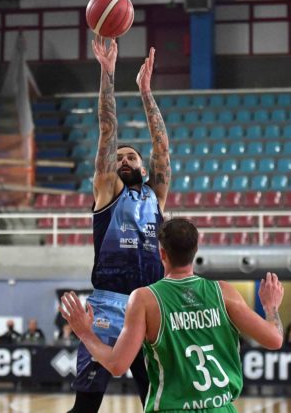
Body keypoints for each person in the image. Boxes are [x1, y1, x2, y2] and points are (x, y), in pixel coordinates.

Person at [61, 219, 284, 413]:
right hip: (221, 407)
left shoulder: (145, 299)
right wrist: (271, 307)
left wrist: (84, 333)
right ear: (196, 250)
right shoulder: (224, 292)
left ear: (162, 253)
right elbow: (275, 339)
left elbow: (117, 365)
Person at [67, 37, 171, 413]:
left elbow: (162, 147)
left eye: (132, 157)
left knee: (156, 404)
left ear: (143, 168)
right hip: (107, 307)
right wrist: (107, 73)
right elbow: (107, 131)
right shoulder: (108, 191)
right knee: (86, 407)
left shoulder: (155, 196)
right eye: (120, 157)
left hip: (149, 306)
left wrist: (146, 92)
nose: (124, 159)